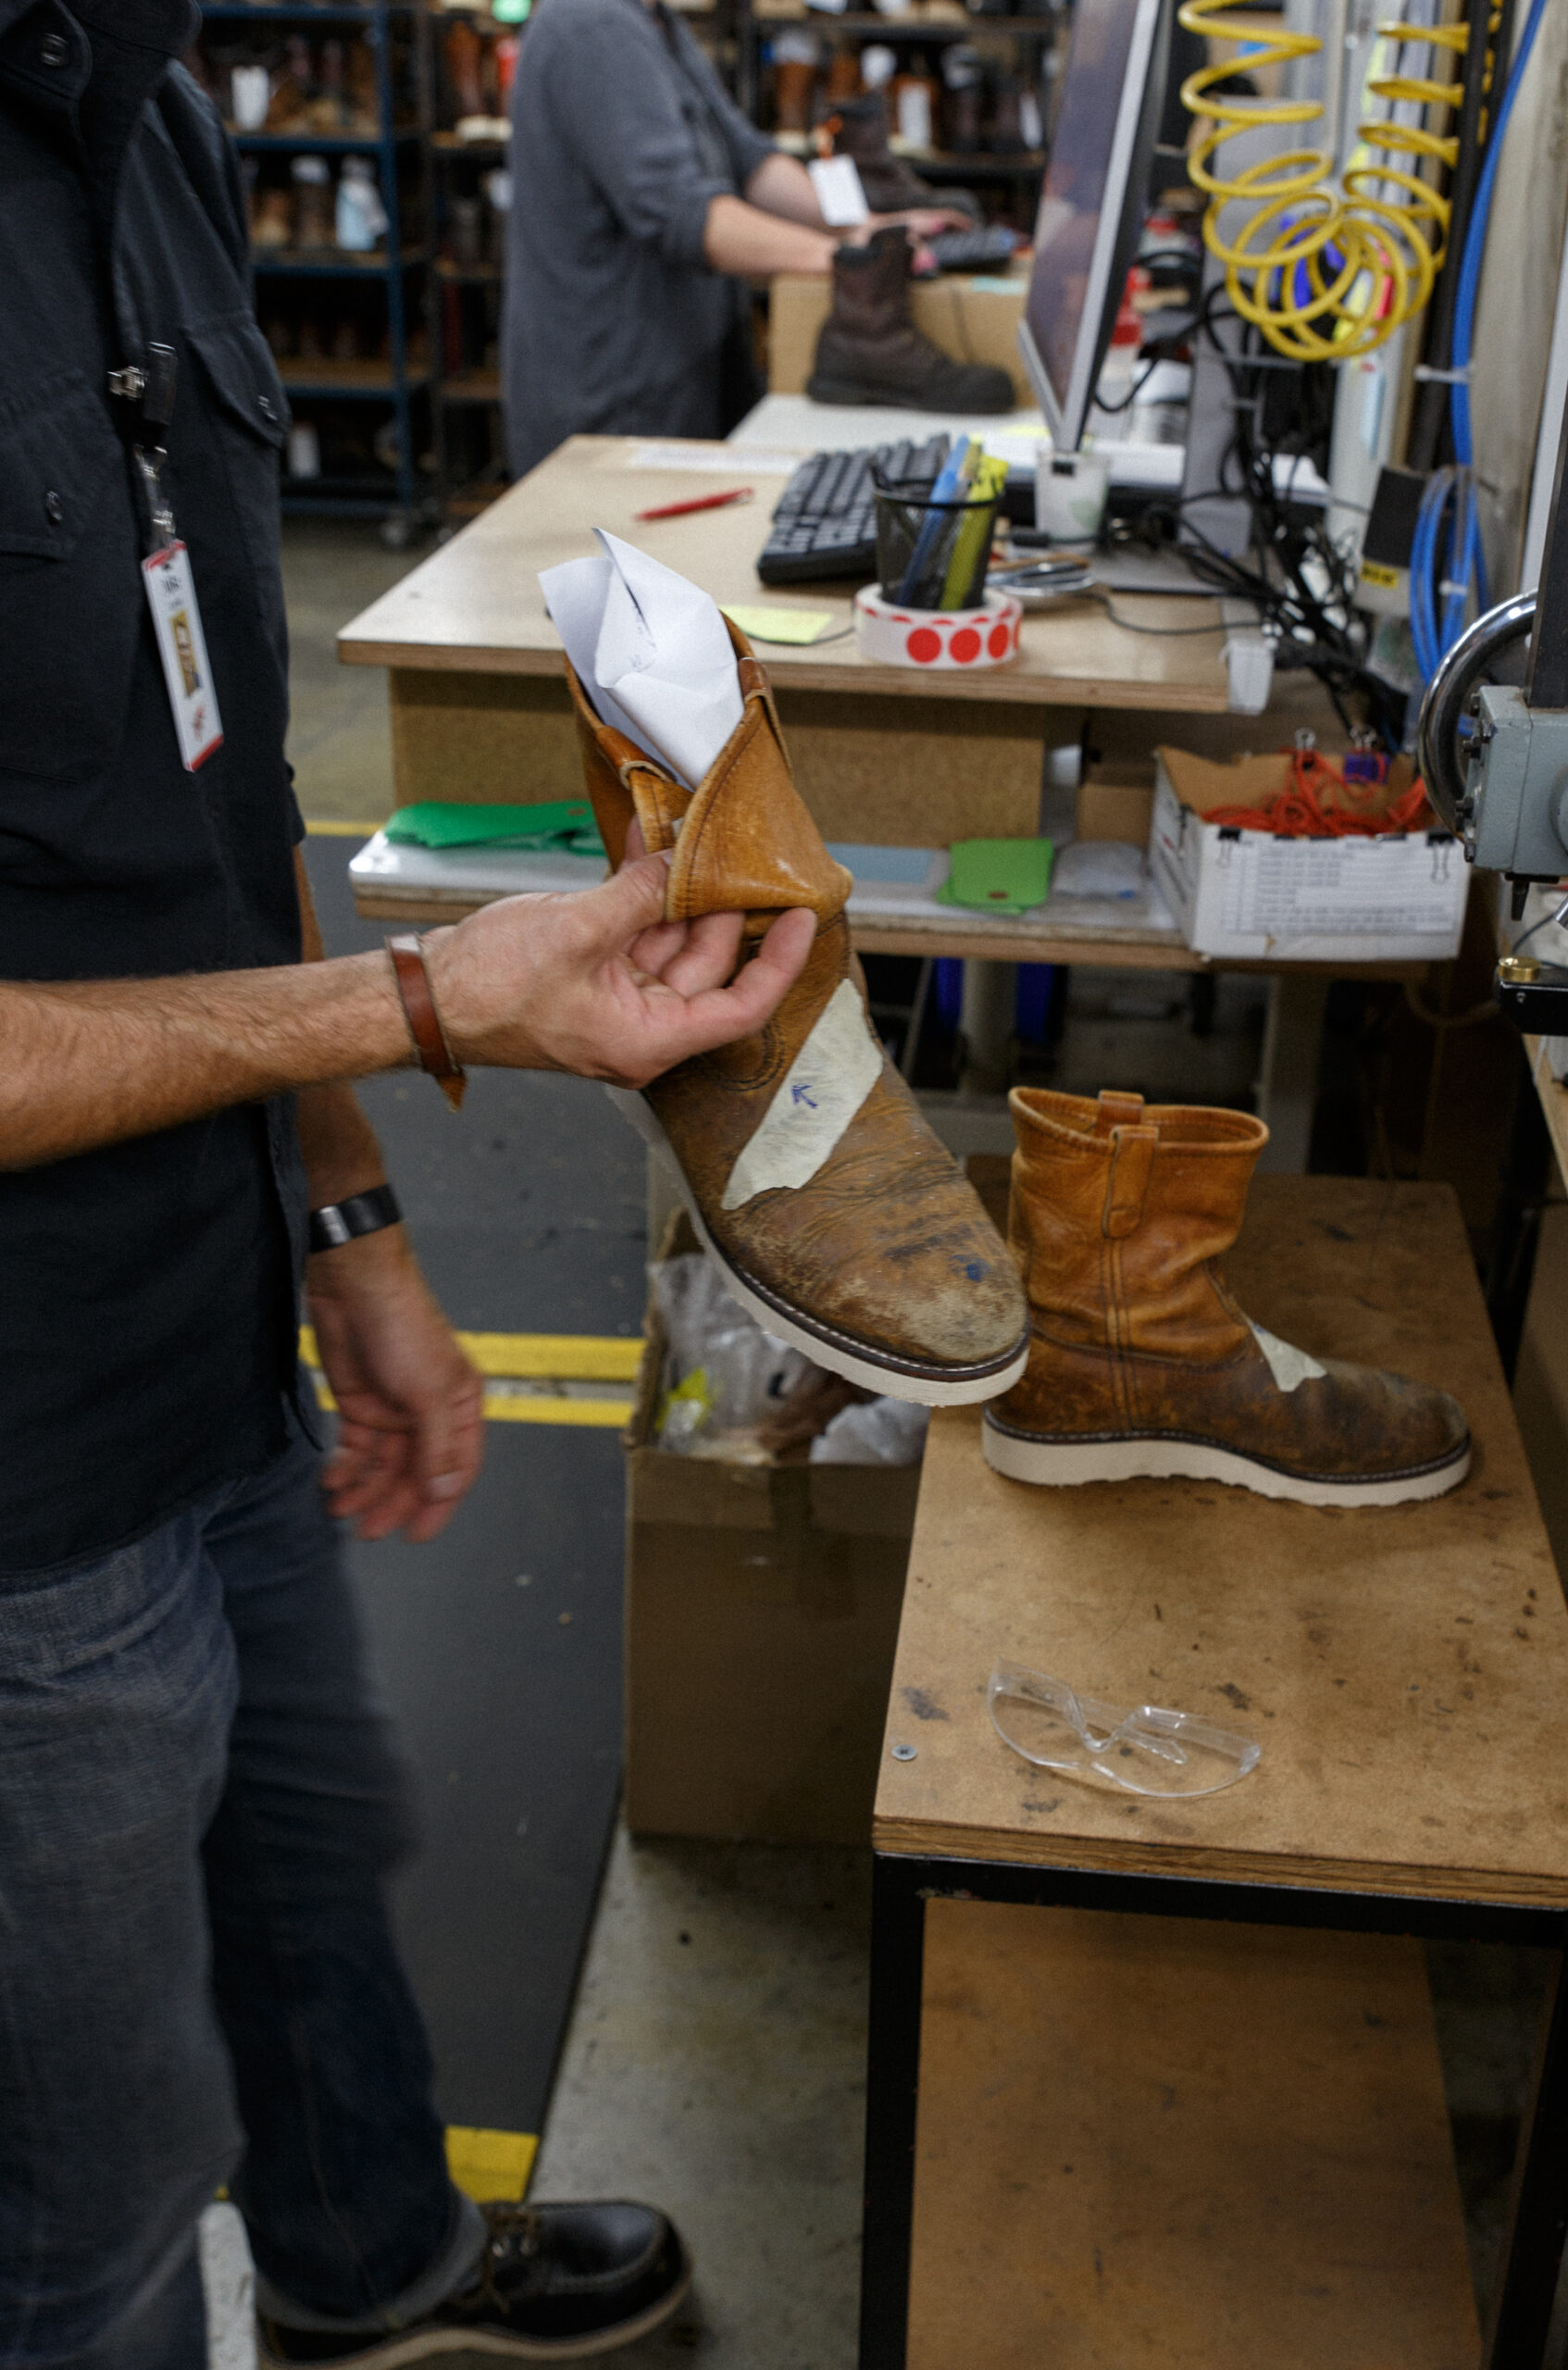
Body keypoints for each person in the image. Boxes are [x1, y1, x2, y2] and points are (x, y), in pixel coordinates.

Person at [0, 6, 815, 2365]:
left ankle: (373, 2270)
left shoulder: (141, 122)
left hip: (213, 1304)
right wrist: (428, 999)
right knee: (88, 2195)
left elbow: (215, 762)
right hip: (28, 1467)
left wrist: (347, 1216)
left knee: (304, 1865)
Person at [501, 0, 977, 473]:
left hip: (674, 375)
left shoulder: (656, 22)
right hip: (611, 396)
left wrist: (861, 225)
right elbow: (679, 211)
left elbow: (748, 159)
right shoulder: (592, 26)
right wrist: (845, 257)